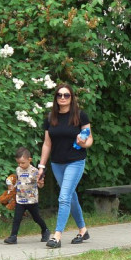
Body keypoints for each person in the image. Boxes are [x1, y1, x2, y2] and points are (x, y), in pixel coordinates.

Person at [38, 83, 93, 249]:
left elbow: (89, 140)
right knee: (70, 195)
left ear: (71, 98)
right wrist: (41, 166)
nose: (63, 98)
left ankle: (57, 236)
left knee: (63, 197)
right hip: (57, 164)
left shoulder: (80, 116)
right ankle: (83, 230)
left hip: (75, 161)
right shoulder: (50, 118)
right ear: (56, 98)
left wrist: (82, 143)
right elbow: (47, 144)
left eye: (66, 95)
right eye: (59, 95)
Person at [4, 146, 50, 245]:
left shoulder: (35, 172)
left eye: (22, 163)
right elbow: (18, 181)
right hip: (20, 199)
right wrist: (12, 187)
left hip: (31, 200)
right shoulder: (18, 170)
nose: (20, 165)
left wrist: (41, 182)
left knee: (36, 218)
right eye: (18, 163)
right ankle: (13, 237)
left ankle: (45, 230)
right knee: (17, 218)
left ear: (30, 160)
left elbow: (40, 186)